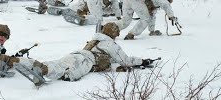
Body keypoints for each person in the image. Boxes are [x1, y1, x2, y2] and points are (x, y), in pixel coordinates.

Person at [18, 22, 153, 83]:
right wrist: (142, 61)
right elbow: (126, 61)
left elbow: (111, 61)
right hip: (85, 61)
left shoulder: (96, 39)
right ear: (114, 34)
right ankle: (44, 71)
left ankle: (35, 66)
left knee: (58, 63)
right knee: (67, 72)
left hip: (76, 54)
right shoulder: (110, 44)